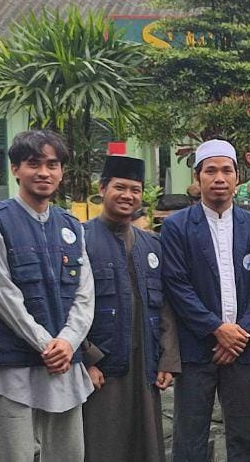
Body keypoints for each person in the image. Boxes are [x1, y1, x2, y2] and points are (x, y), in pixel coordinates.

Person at [0, 130, 94, 462]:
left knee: (69, 454)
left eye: (52, 164)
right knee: (17, 454)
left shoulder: (71, 225)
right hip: (16, 361)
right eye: (33, 163)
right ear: (15, 169)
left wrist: (68, 343)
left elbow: (85, 294)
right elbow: (0, 293)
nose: (44, 172)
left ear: (61, 171)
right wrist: (45, 344)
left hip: (63, 361)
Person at [162, 140, 250, 462]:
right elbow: (177, 285)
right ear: (198, 178)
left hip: (242, 348)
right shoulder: (176, 226)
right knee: (190, 435)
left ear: (238, 177)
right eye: (210, 170)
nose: (219, 177)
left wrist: (239, 333)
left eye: (227, 170)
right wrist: (216, 329)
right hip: (198, 350)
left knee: (243, 434)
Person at [78, 156, 180, 461]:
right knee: (102, 446)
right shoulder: (81, 239)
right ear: (102, 189)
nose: (127, 196)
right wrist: (86, 361)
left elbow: (165, 306)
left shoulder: (153, 245)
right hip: (102, 368)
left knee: (145, 447)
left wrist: (168, 360)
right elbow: (68, 307)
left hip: (146, 365)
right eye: (119, 187)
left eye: (135, 190)